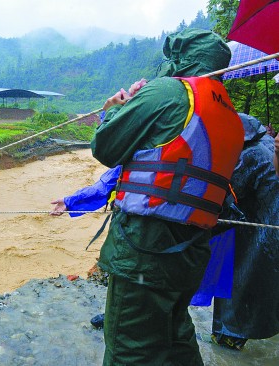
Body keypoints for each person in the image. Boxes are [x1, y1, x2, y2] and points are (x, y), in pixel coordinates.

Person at [90, 28, 244, 365]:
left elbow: (106, 148)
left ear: (179, 59)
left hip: (145, 248)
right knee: (176, 337)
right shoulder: (231, 117)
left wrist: (114, 108)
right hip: (191, 250)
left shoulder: (168, 93)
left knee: (129, 349)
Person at [209, 113, 279, 350]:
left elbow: (226, 199)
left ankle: (227, 337)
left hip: (259, 234)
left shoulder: (249, 155)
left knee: (240, 284)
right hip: (269, 224)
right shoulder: (267, 143)